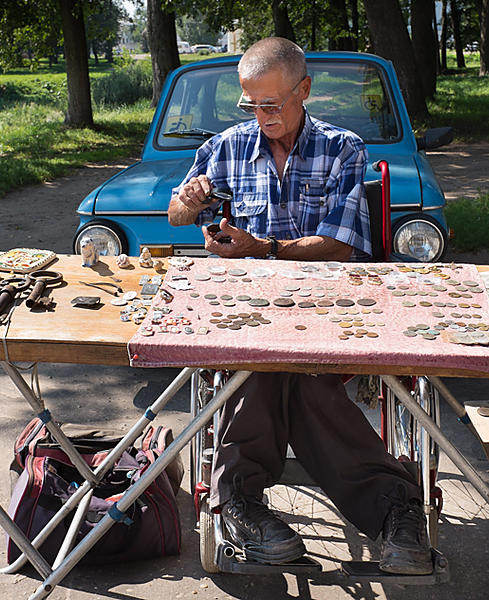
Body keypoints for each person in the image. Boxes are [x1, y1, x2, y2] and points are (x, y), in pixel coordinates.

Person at [167, 37, 432, 575]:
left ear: (304, 90)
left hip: (326, 309)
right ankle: (392, 510)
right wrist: (189, 201)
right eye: (251, 105)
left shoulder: (341, 148)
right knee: (272, 370)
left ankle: (238, 504)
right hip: (246, 309)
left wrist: (262, 248)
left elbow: (340, 244)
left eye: (273, 104)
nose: (262, 116)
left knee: (280, 374)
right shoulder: (225, 147)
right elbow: (176, 215)